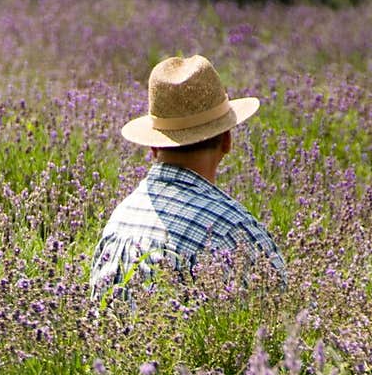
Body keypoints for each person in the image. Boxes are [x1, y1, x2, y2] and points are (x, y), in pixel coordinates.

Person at [90, 54, 285, 302]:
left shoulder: (119, 222)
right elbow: (284, 322)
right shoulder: (233, 231)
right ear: (227, 140)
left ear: (153, 147)